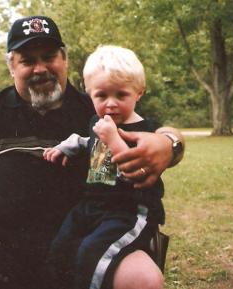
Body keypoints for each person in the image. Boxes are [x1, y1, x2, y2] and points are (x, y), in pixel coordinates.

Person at [0, 16, 184, 289]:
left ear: (64, 60)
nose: (40, 68)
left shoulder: (99, 109)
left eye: (49, 57)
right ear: (11, 67)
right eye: (28, 60)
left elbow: (151, 131)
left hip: (83, 241)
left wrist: (170, 143)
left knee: (142, 280)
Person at [43, 45, 167, 289]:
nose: (110, 104)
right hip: (93, 206)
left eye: (121, 95)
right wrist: (68, 146)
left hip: (129, 211)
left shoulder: (145, 131)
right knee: (61, 245)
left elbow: (136, 170)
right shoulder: (98, 122)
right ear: (89, 93)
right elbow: (90, 142)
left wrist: (113, 138)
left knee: (94, 252)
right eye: (101, 96)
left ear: (139, 93)